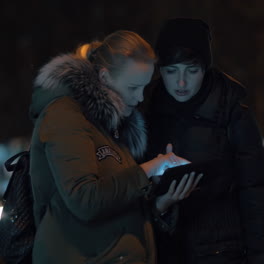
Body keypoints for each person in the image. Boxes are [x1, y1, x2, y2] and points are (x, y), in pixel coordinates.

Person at [29, 30, 201, 264]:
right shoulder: (65, 116)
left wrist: (160, 203)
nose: (140, 98)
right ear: (105, 78)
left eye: (144, 88)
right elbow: (85, 202)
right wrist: (148, 169)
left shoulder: (112, 125)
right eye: (133, 88)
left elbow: (116, 208)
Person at [143, 18, 264, 263]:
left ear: (205, 67)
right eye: (171, 71)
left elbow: (258, 200)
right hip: (164, 253)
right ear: (159, 69)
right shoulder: (145, 110)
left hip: (223, 253)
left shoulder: (232, 112)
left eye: (191, 70)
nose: (181, 82)